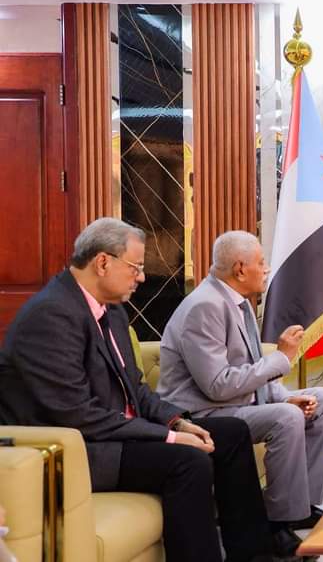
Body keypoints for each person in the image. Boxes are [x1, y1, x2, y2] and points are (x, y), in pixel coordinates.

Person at [0, 218, 280, 562]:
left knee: (232, 433)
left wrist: (178, 422)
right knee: (187, 461)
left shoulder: (114, 310)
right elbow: (78, 414)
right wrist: (169, 438)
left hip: (116, 435)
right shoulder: (51, 315)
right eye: (136, 267)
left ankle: (254, 555)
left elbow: (136, 388)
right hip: (81, 449)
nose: (142, 277)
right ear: (103, 262)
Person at [157, 231, 323, 545]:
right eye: (261, 262)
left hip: (237, 404)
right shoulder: (205, 306)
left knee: (322, 400)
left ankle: (302, 506)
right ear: (240, 269)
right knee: (286, 418)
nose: (267, 269)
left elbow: (250, 366)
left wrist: (285, 396)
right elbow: (217, 385)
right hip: (204, 414)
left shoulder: (237, 301)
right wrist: (281, 357)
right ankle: (277, 523)